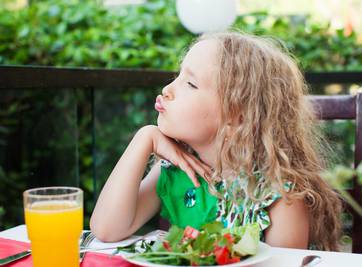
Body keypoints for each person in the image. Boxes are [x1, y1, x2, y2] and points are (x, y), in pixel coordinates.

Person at [90, 31, 342, 251]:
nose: (168, 88)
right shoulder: (176, 170)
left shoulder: (278, 196)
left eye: (190, 83)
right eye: (177, 75)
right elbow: (106, 230)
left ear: (237, 116)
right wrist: (144, 138)